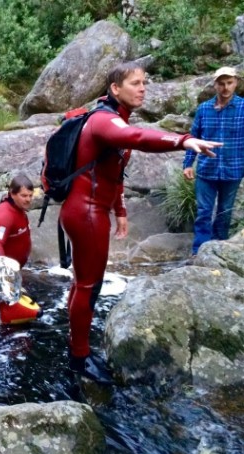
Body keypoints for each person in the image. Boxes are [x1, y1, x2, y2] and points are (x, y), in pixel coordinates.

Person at [59, 61, 222, 384]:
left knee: (83, 282)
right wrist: (182, 140)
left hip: (89, 210)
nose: (143, 88)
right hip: (86, 213)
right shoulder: (106, 120)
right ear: (115, 89)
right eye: (135, 83)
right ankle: (79, 358)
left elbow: (110, 170)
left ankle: (75, 345)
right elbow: (136, 137)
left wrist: (119, 209)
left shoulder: (113, 118)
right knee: (89, 286)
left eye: (144, 82)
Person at [183, 66, 244, 256]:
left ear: (236, 83)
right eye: (221, 83)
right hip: (206, 170)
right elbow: (193, 137)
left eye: (229, 83)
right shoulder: (204, 109)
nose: (226, 87)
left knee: (225, 212)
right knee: (203, 212)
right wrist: (187, 164)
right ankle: (198, 251)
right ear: (215, 85)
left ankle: (220, 251)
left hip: (233, 169)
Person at [0, 174, 33, 268]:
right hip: (2, 273)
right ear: (12, 194)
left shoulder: (18, 208)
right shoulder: (4, 216)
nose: (28, 199)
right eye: (24, 196)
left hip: (17, 269)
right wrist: (5, 271)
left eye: (30, 195)